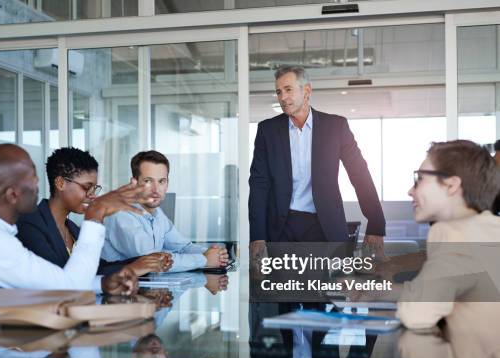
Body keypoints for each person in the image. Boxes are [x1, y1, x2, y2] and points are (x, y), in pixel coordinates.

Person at [0, 144, 153, 299]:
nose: (38, 187)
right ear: (12, 194)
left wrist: (102, 284)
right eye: (31, 181)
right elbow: (67, 289)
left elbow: (55, 283)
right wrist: (96, 213)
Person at [248, 65, 386, 260]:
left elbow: (359, 174)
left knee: (328, 288)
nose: (282, 97)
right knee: (284, 289)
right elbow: (258, 184)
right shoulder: (267, 131)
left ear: (307, 91)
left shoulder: (336, 126)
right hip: (282, 228)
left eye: (288, 89)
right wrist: (257, 236)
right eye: (279, 92)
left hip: (324, 226)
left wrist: (376, 223)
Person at [16, 147, 172, 276]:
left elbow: (98, 268)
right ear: (60, 183)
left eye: (94, 188)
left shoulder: (71, 229)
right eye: (86, 187)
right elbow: (60, 279)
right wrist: (95, 215)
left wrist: (144, 262)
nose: (92, 195)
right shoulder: (29, 225)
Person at [396, 140, 500, 329]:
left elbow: (417, 314)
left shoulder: (453, 233)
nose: (410, 191)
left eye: (420, 180)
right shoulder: (486, 227)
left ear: (451, 186)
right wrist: (375, 292)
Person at [101, 150, 230, 272]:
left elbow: (183, 247)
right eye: (148, 181)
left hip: (145, 287)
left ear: (167, 184)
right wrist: (204, 259)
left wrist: (214, 254)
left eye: (161, 181)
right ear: (134, 183)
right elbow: (151, 260)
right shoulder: (121, 213)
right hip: (117, 291)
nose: (155, 189)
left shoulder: (156, 213)